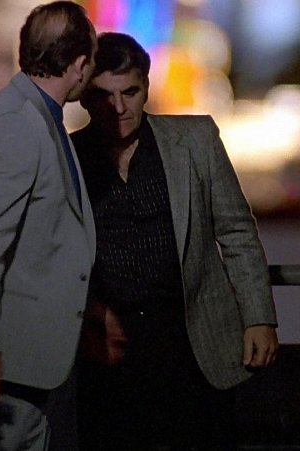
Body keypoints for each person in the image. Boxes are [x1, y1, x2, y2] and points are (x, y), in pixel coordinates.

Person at [70, 32, 279, 450]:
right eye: (104, 95)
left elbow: (236, 230)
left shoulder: (195, 140)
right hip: (109, 347)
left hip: (190, 340)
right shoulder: (68, 157)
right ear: (86, 99)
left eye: (130, 92)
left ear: (147, 87)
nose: (119, 106)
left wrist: (259, 317)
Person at [0, 2, 97, 450]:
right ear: (79, 64)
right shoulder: (17, 122)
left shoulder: (35, 115)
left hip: (29, 358)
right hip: (14, 362)